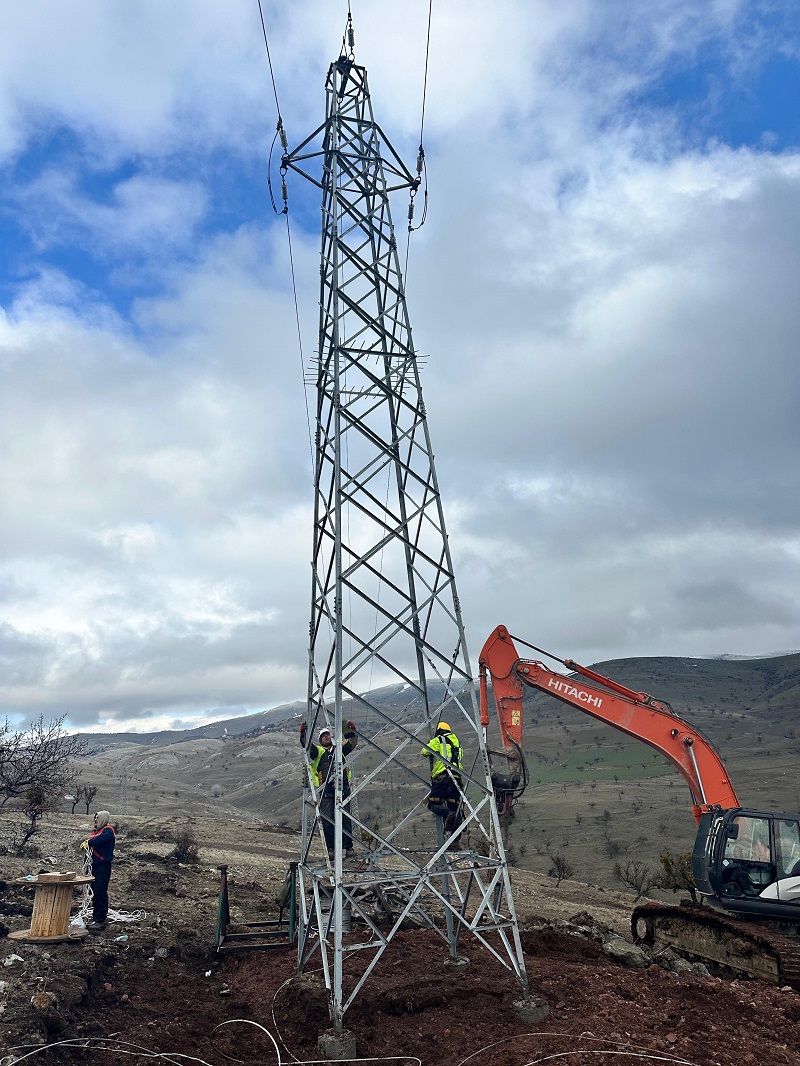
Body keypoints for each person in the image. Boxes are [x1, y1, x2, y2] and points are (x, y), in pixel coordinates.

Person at [301, 720, 358, 859]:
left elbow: (352, 742)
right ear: (320, 741)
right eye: (323, 736)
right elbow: (307, 746)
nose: (326, 737)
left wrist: (350, 729)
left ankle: (348, 847)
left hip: (343, 787)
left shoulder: (340, 749)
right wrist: (303, 734)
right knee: (327, 819)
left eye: (328, 735)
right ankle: (331, 848)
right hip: (326, 789)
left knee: (345, 818)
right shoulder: (319, 752)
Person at [421, 721, 463, 833]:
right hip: (457, 779)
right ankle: (455, 838)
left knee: (433, 804)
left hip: (444, 777)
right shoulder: (457, 743)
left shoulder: (439, 740)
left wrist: (431, 742)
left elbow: (424, 752)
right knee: (453, 806)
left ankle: (448, 814)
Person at [85, 810, 116, 931]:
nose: (95, 819)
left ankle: (100, 920)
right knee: (94, 893)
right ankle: (95, 917)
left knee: (100, 892)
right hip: (95, 866)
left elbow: (99, 840)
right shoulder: (96, 832)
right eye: (95, 817)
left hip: (103, 866)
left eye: (98, 817)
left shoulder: (108, 831)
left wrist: (88, 842)